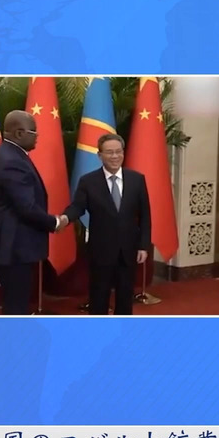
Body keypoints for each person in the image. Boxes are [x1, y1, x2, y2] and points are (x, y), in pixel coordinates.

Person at [0, 110, 68, 315]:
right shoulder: (12, 161)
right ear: (19, 133)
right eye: (33, 132)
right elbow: (26, 208)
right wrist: (55, 222)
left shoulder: (10, 154)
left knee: (15, 302)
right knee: (16, 305)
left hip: (14, 247)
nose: (37, 136)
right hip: (14, 248)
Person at [62, 133, 151, 315]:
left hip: (128, 250)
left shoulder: (137, 180)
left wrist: (143, 246)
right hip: (100, 250)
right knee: (98, 298)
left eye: (118, 151)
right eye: (109, 152)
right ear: (99, 155)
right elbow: (77, 207)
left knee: (125, 299)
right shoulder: (88, 181)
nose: (115, 156)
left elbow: (145, 216)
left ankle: (122, 330)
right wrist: (64, 218)